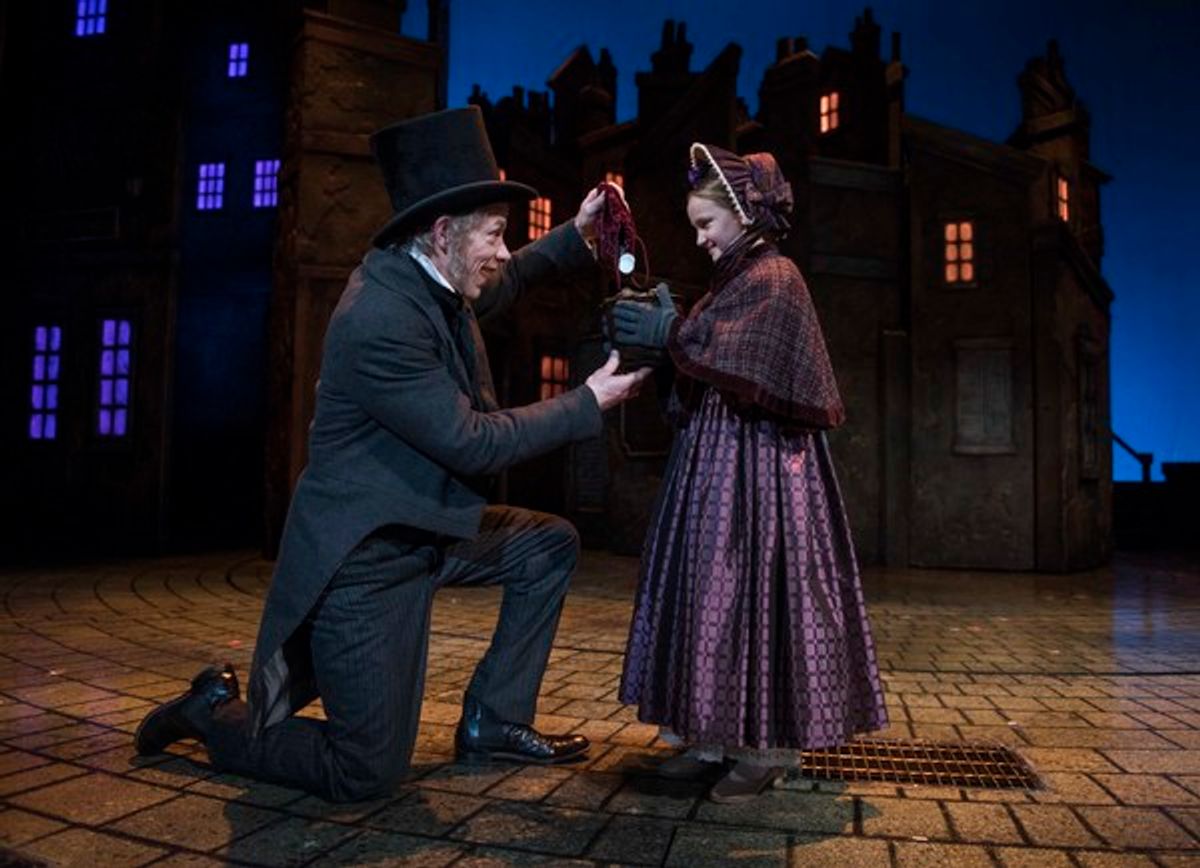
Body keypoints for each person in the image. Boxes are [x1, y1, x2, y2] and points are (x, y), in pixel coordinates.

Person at [134, 107, 650, 802]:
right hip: (367, 561)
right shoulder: (379, 319)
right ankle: (214, 715)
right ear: (442, 234)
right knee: (365, 770)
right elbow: (472, 439)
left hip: (426, 529)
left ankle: (493, 720)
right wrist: (588, 400)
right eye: (495, 235)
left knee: (547, 546)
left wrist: (575, 236)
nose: (503, 250)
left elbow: (501, 285)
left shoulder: (431, 279)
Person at [612, 143, 888, 803]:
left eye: (707, 224)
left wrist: (673, 332)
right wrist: (670, 335)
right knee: (707, 587)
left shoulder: (775, 276)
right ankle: (706, 737)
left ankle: (764, 749)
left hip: (761, 468)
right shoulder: (731, 281)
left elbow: (745, 359)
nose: (700, 239)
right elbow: (703, 353)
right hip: (714, 460)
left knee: (755, 588)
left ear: (742, 213)